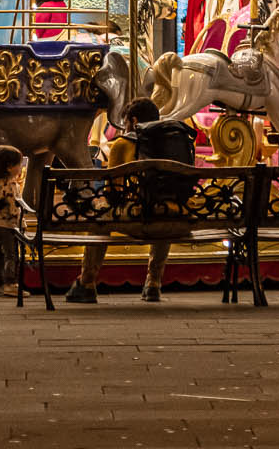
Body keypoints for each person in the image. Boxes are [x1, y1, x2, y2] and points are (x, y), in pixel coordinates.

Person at [67, 100, 197, 305]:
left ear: (134, 121)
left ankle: (87, 282)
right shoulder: (175, 141)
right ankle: (153, 282)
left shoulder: (123, 144)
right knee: (163, 206)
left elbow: (113, 193)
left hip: (140, 220)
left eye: (125, 122)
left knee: (101, 214)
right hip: (177, 218)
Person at [0, 145, 28, 299]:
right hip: (7, 226)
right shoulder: (8, 184)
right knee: (11, 255)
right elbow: (11, 206)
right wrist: (19, 221)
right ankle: (10, 284)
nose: (20, 167)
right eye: (18, 164)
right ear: (9, 167)